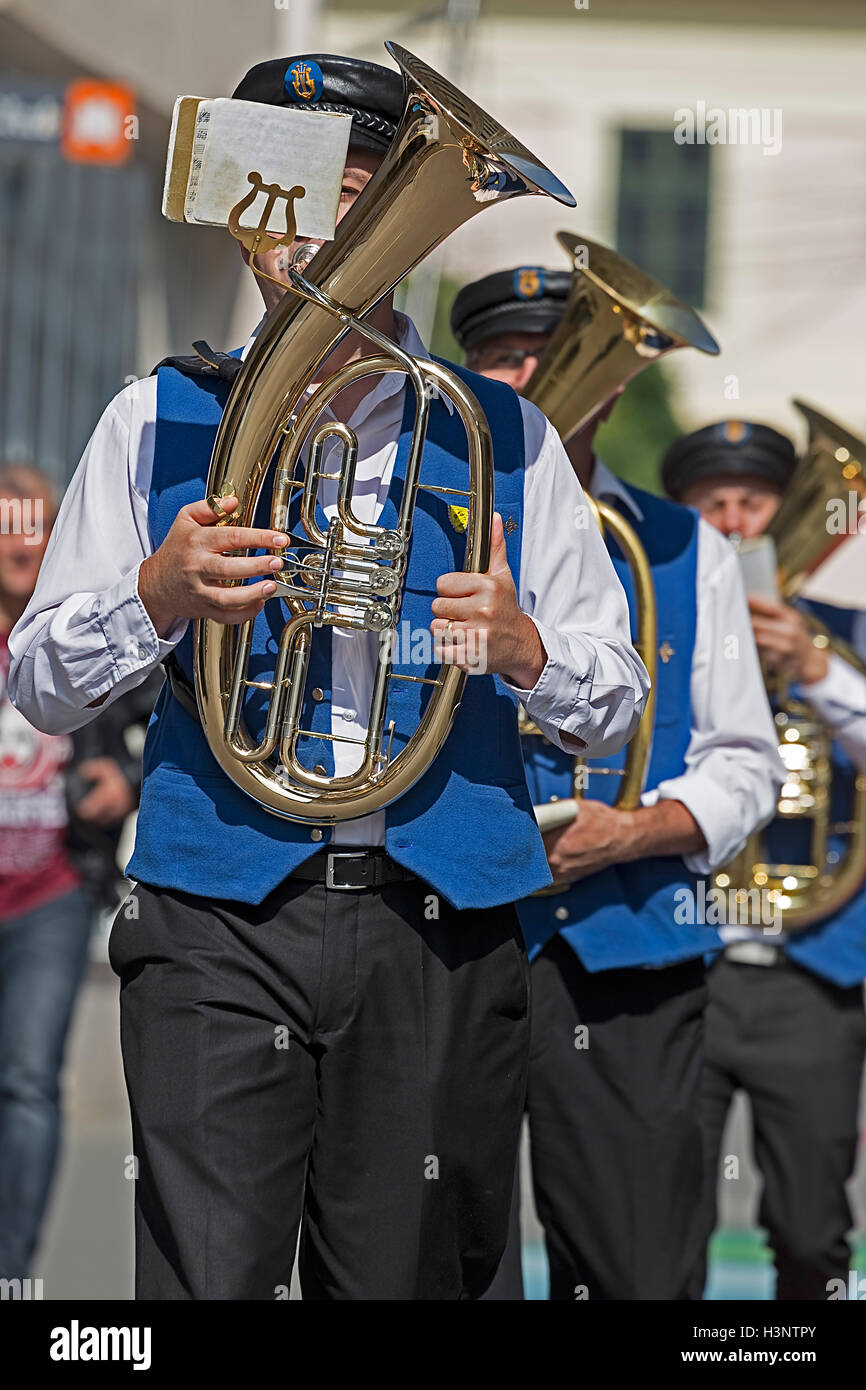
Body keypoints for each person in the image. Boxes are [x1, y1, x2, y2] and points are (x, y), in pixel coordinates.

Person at [8, 56, 649, 1301]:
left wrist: (526, 650)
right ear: (245, 219)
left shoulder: (505, 434)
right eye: (285, 198)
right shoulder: (152, 417)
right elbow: (35, 680)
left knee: (409, 1279)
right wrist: (154, 598)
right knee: (201, 1280)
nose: (316, 235)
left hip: (438, 924)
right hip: (215, 914)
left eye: (355, 197)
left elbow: (614, 691)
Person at [450, 265, 783, 1299]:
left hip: (627, 943)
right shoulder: (418, 517)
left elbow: (744, 761)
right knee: (446, 1255)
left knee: (637, 1266)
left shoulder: (683, 545)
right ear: (465, 372)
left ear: (611, 386)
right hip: (452, 930)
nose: (527, 381)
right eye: (502, 360)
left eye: (556, 362)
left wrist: (631, 831)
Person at [662, 420, 866, 1300]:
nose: (738, 521)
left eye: (756, 502)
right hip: (682, 957)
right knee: (659, 1219)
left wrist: (816, 670)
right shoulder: (654, 620)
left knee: (812, 1226)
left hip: (811, 971)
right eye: (715, 505)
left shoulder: (846, 629)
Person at [0, 463, 148, 1281]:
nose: (21, 541)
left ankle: (12, 1272)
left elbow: (162, 715)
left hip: (52, 895)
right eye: (6, 523)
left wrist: (125, 779)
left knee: (25, 1082)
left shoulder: (80, 639)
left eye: (35, 524)